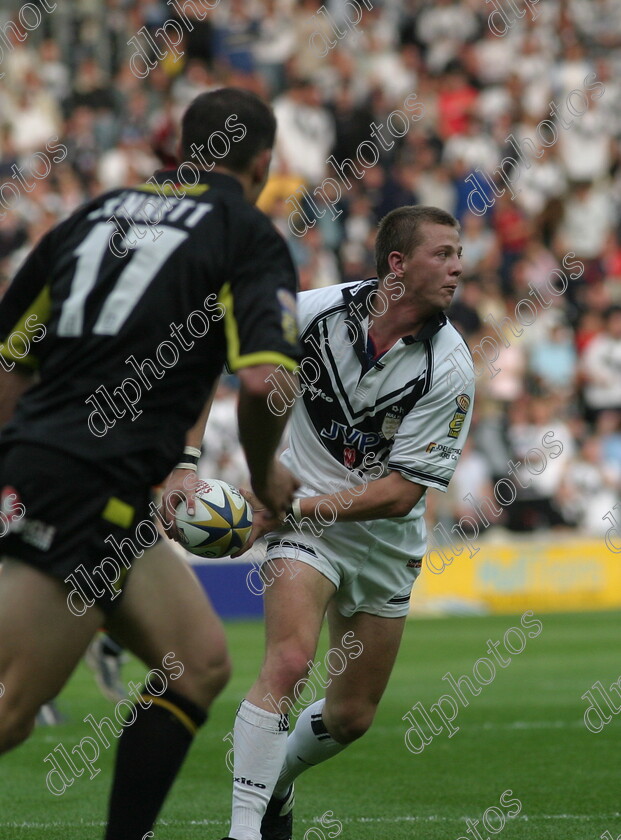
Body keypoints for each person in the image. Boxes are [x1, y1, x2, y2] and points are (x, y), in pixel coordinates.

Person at [0, 87, 300, 840]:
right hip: (87, 484)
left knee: (195, 662)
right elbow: (264, 379)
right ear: (263, 160)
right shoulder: (244, 232)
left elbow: (9, 356)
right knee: (9, 710)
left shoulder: (95, 214)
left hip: (76, 473)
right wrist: (267, 482)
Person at [211, 205, 476, 840]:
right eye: (442, 253)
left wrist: (285, 507)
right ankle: (243, 830)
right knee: (290, 660)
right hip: (304, 531)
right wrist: (186, 465)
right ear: (397, 265)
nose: (458, 266)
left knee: (353, 715)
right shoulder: (313, 313)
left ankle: (272, 784)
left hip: (379, 540)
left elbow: (399, 493)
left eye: (458, 253)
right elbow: (216, 358)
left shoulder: (452, 366)